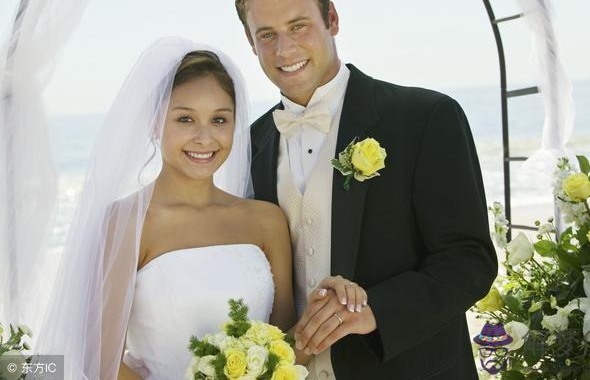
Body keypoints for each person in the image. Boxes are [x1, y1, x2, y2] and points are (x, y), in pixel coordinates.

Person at [31, 38, 364, 380]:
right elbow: (102, 361)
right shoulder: (129, 223)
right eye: (185, 119)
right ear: (154, 123)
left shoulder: (266, 221)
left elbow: (283, 351)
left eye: (219, 120)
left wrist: (330, 309)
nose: (205, 138)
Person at [236, 0, 499, 379]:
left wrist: (374, 310)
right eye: (267, 35)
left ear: (332, 19)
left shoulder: (425, 117)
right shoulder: (248, 146)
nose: (284, 50)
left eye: (298, 26)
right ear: (251, 44)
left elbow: (469, 261)